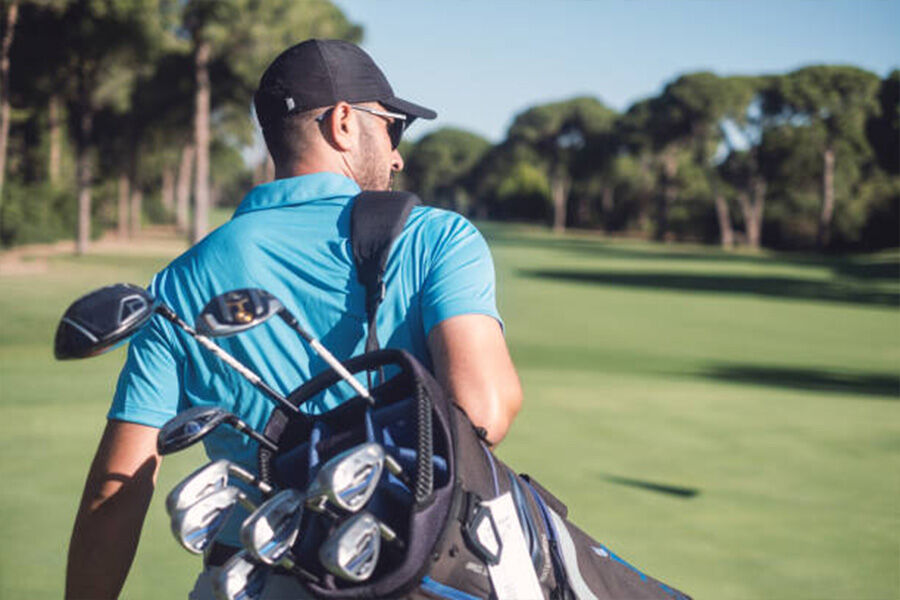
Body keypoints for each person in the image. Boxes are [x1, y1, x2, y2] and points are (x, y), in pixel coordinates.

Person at [65, 39, 523, 599]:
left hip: (246, 581)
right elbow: (486, 413)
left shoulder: (177, 282)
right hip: (404, 574)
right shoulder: (436, 237)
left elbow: (116, 494)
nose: (398, 155)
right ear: (345, 123)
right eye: (392, 128)